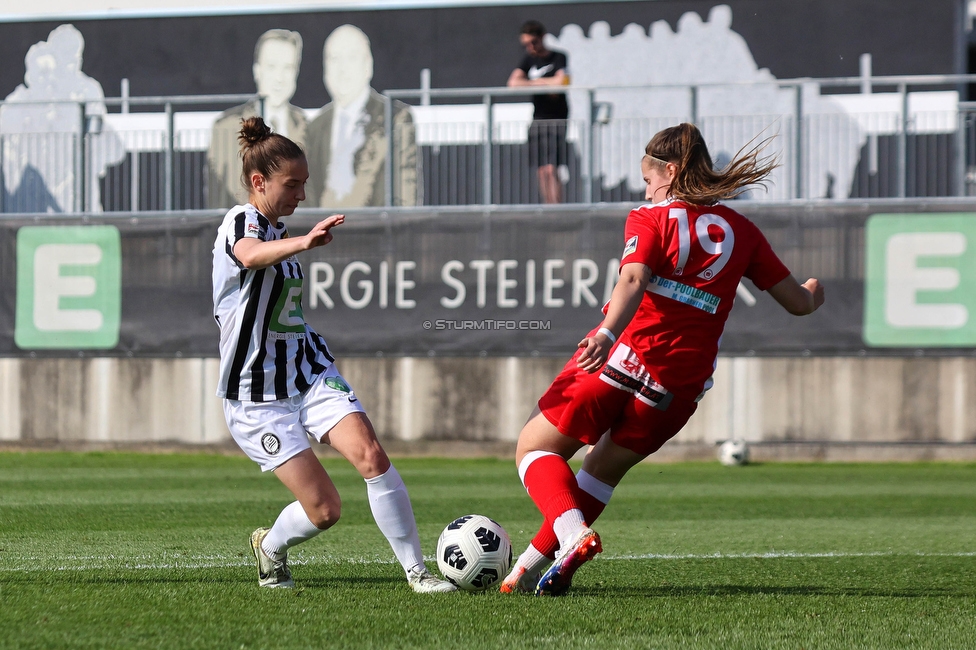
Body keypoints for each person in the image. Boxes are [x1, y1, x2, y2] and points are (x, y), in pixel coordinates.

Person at [499, 123, 825, 596]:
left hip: (621, 358)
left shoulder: (652, 218)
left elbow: (633, 280)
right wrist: (815, 294)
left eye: (649, 178)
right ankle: (525, 570)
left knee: (535, 450)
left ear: (669, 172)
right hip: (679, 386)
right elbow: (797, 302)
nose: (645, 187)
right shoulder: (743, 231)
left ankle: (573, 536)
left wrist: (608, 333)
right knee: (598, 475)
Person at [211, 116, 455, 593]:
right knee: (325, 510)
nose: (302, 195)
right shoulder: (242, 222)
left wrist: (296, 242)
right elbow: (248, 254)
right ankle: (271, 547)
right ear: (259, 182)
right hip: (256, 395)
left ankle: (417, 572)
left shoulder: (279, 231)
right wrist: (303, 242)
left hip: (309, 373)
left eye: (305, 183)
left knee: (371, 456)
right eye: (293, 184)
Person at [305, 24, 417, 208]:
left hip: (378, 235)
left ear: (368, 65)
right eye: (335, 59)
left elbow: (405, 200)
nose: (342, 68)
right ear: (325, 69)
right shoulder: (315, 127)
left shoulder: (395, 119)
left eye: (351, 58)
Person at [208, 29, 308, 209]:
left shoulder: (306, 125)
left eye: (288, 67)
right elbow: (217, 196)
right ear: (257, 71)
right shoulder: (226, 127)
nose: (279, 78)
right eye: (272, 66)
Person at [507, 20, 569, 205]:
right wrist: (542, 83)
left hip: (557, 119)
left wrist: (535, 83)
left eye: (534, 42)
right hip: (538, 119)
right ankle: (548, 205)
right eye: (526, 44)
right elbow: (513, 83)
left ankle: (557, 206)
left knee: (552, 168)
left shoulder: (558, 57)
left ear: (542, 38)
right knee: (541, 170)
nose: (530, 47)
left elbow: (561, 82)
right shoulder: (528, 60)